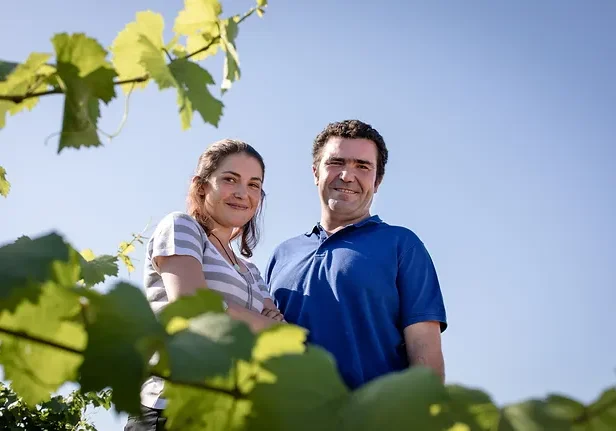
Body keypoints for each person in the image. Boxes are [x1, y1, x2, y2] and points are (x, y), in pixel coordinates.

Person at [264, 120, 447, 390]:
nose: (347, 176)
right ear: (316, 172)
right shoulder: (282, 255)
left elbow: (424, 348)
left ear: (378, 180)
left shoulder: (402, 245)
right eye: (336, 162)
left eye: (362, 166)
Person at [125, 139, 284, 431]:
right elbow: (193, 309)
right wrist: (262, 324)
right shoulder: (182, 228)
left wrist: (227, 311)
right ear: (201, 186)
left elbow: (277, 337)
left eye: (253, 184)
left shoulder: (251, 270)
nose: (242, 193)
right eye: (230, 180)